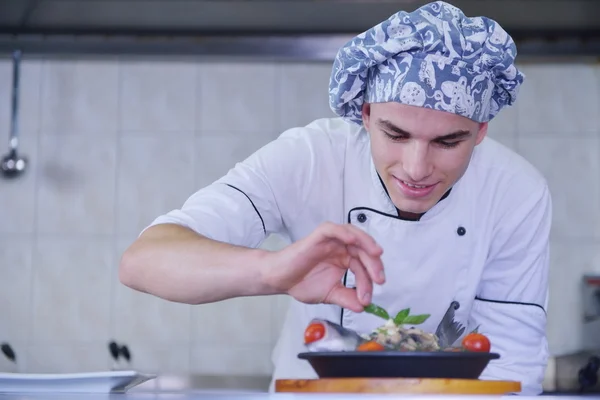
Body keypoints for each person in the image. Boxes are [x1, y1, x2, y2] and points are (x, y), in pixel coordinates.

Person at [119, 0, 551, 395]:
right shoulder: (311, 157)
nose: (417, 168)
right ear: (365, 114)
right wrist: (273, 271)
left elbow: (510, 367)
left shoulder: (514, 193)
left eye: (448, 141)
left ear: (480, 132)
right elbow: (143, 261)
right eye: (394, 134)